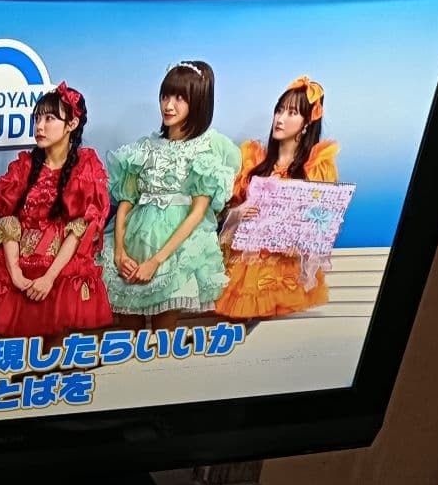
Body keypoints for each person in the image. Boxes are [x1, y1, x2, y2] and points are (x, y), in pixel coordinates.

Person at [0, 83, 112, 338]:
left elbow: (80, 230)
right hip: (18, 271)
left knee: (56, 351)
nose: (40, 126)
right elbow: (6, 221)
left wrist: (49, 278)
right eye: (37, 119)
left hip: (59, 274)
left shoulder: (85, 168)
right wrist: (16, 274)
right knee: (18, 353)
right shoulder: (22, 168)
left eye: (49, 119)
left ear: (72, 124)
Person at [99, 61, 241, 332]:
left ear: (197, 102)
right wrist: (119, 253)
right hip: (133, 244)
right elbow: (126, 201)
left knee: (164, 337)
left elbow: (198, 213)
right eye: (165, 96)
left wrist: (156, 261)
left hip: (174, 250)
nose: (169, 105)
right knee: (128, 333)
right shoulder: (143, 147)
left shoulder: (204, 150)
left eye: (179, 98)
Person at [214, 76, 339, 319]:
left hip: (286, 270)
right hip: (245, 267)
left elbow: (321, 222)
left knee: (274, 333)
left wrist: (301, 241)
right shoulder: (253, 161)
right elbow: (224, 215)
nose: (280, 119)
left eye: (292, 113)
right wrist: (237, 213)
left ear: (307, 123)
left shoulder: (316, 168)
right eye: (279, 110)